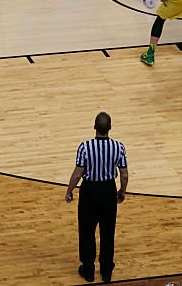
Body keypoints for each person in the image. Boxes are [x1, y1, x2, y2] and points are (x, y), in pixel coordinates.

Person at [64, 112, 128, 285]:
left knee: (86, 231)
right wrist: (122, 191)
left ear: (94, 127)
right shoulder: (118, 147)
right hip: (108, 190)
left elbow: (78, 173)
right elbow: (123, 174)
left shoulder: (85, 147)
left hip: (89, 191)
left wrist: (69, 190)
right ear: (110, 128)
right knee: (108, 232)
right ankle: (106, 271)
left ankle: (88, 270)